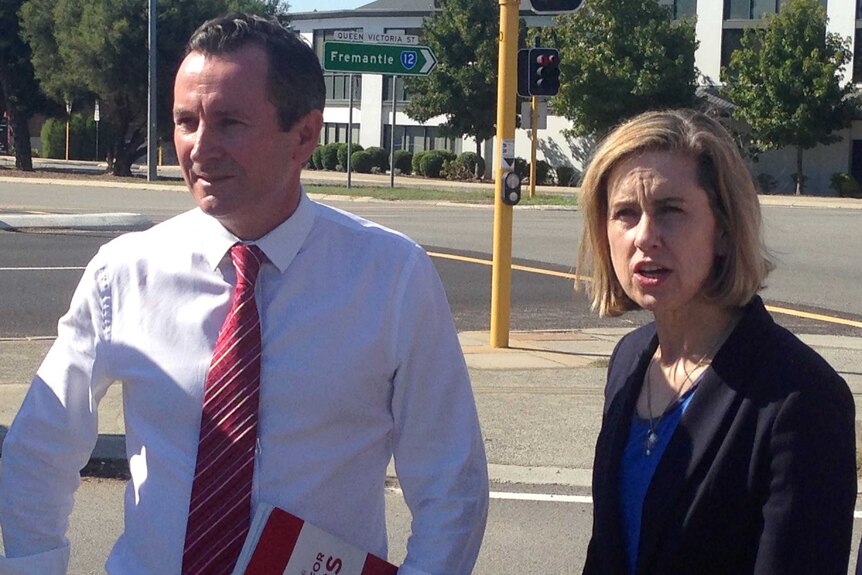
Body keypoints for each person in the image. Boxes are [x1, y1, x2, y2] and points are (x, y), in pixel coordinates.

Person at [0, 12, 488, 575]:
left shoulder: (392, 276)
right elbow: (41, 446)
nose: (200, 148)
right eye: (186, 121)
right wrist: (35, 564)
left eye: (230, 122)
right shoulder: (124, 272)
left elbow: (451, 481)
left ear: (304, 134)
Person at [577, 109, 856, 574]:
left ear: (723, 230)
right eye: (625, 213)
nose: (645, 236)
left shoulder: (801, 398)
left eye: (671, 211)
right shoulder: (628, 362)